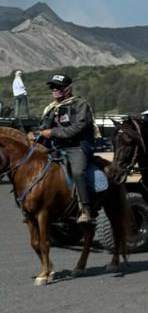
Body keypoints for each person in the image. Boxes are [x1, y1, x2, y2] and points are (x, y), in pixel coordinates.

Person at [34, 73, 97, 223]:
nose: (55, 90)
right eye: (53, 87)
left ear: (68, 89)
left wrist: (53, 132)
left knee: (78, 172)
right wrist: (37, 133)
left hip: (78, 146)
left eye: (59, 87)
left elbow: (78, 127)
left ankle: (86, 209)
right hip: (57, 146)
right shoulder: (50, 108)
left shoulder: (80, 104)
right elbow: (44, 127)